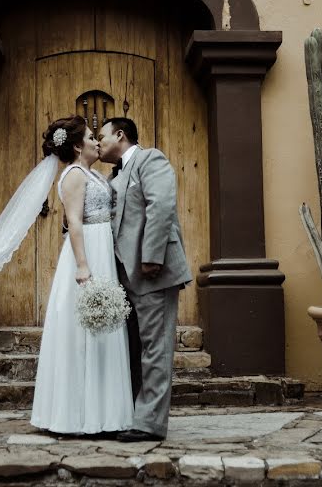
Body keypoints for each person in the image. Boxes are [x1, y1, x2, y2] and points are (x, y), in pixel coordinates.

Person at [30, 115, 134, 435]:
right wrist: (83, 265)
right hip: (88, 251)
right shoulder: (75, 174)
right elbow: (74, 221)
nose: (96, 141)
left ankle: (105, 413)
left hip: (101, 247)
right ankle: (74, 416)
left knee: (103, 330)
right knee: (84, 331)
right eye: (91, 137)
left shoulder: (92, 174)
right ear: (77, 146)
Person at [97, 117, 192, 442]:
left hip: (154, 272)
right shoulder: (113, 176)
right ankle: (134, 415)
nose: (98, 143)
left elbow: (161, 205)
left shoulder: (150, 159)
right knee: (133, 349)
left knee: (155, 348)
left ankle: (150, 424)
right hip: (123, 278)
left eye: (102, 136)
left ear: (120, 135)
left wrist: (152, 256)